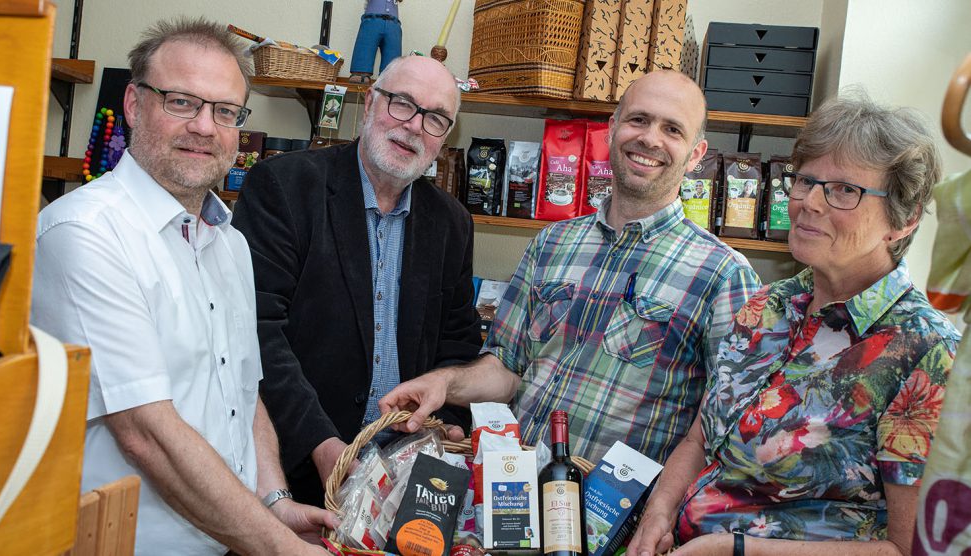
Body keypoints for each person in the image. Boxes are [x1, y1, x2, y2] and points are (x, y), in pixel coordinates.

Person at [30, 18, 337, 556]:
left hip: (227, 538)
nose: (204, 127)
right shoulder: (85, 234)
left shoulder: (229, 242)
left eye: (224, 111)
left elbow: (244, 392)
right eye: (180, 102)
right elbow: (146, 434)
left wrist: (273, 501)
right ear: (132, 103)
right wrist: (281, 548)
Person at [627, 94, 960, 556]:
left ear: (902, 221)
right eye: (805, 180)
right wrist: (658, 514)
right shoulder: (767, 304)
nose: (808, 202)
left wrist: (733, 549)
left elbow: (909, 549)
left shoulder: (928, 353)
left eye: (845, 189)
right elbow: (700, 437)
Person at [380, 70, 761, 464]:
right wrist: (443, 382)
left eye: (673, 130)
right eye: (639, 120)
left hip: (618, 517)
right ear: (613, 129)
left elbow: (722, 430)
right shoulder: (553, 243)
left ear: (696, 155)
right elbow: (507, 368)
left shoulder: (724, 276)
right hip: (514, 495)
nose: (650, 139)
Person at [232, 55, 482, 507]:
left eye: (436, 118)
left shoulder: (452, 223)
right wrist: (323, 444)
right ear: (368, 104)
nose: (413, 127)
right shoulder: (286, 186)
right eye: (402, 104)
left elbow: (458, 348)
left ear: (446, 137)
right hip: (292, 467)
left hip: (401, 475)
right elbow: (257, 330)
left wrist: (434, 427)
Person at [349, 0, 404, 84]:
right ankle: (361, 71)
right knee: (366, 44)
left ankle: (389, 76)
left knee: (393, 51)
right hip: (372, 19)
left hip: (393, 23)